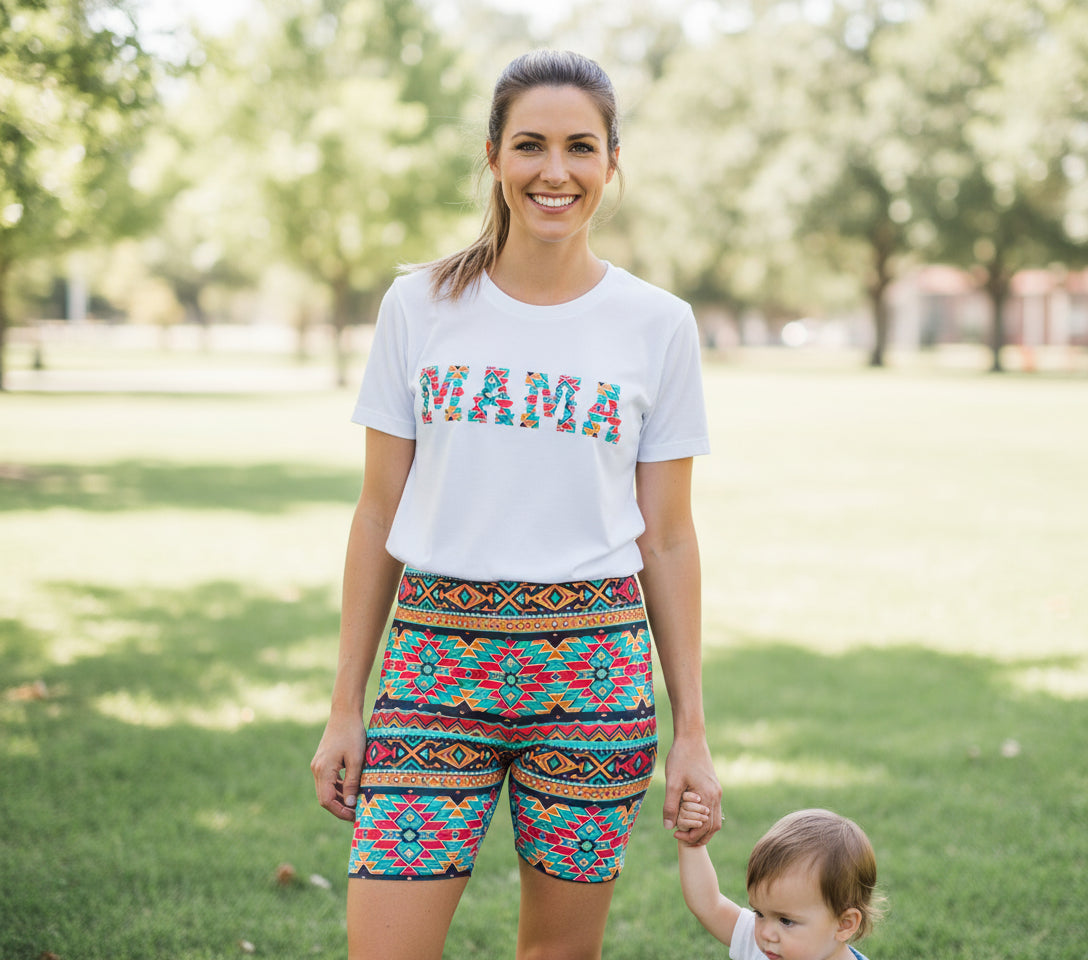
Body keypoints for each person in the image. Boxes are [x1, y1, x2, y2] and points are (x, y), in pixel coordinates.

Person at [310, 49, 722, 960]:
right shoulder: (418, 305)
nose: (554, 171)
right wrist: (347, 706)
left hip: (592, 678)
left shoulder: (658, 324)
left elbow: (668, 538)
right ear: (494, 154)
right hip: (433, 666)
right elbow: (377, 515)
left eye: (581, 147)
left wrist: (691, 732)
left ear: (612, 162)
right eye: (530, 145)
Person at [675, 798, 882, 960]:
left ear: (844, 924)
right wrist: (692, 843)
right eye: (759, 913)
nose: (765, 933)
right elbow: (709, 905)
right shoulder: (763, 947)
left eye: (786, 921)